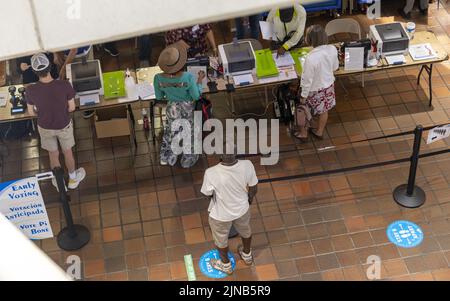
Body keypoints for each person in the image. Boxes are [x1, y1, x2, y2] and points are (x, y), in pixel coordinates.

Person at [25, 53, 86, 190]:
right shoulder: (64, 85)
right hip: (63, 124)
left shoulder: (30, 90)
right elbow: (71, 108)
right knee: (67, 152)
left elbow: (31, 112)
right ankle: (73, 179)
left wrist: (40, 112)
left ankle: (59, 182)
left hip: (45, 127)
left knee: (53, 154)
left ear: (34, 71)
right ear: (50, 66)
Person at [201, 144, 258, 275]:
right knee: (246, 231)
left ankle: (225, 265)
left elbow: (206, 193)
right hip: (242, 209)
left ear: (220, 156)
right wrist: (248, 201)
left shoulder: (211, 172)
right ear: (236, 153)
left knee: (221, 239)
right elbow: (254, 188)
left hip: (220, 215)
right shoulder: (247, 165)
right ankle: (247, 255)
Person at [153, 42, 205, 168]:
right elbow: (196, 96)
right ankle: (188, 159)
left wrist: (171, 93)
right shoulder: (187, 77)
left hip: (172, 108)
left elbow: (159, 97)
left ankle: (168, 157)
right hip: (187, 108)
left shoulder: (158, 78)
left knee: (171, 131)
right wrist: (199, 81)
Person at [294, 25, 339, 141]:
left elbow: (307, 80)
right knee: (324, 111)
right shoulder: (332, 49)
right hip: (328, 87)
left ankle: (303, 134)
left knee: (303, 110)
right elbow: (335, 67)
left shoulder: (310, 58)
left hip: (314, 90)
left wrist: (303, 96)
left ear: (310, 39)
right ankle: (319, 132)